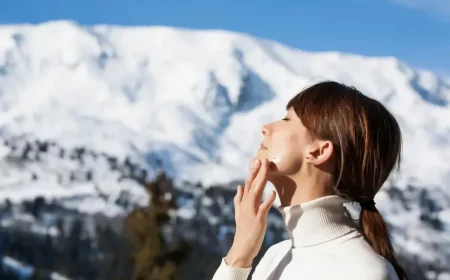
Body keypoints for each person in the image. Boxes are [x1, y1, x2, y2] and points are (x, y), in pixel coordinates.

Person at [212, 81, 409, 280]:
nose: (265, 128)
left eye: (287, 119)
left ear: (319, 151)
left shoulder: (364, 273)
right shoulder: (275, 256)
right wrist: (238, 256)